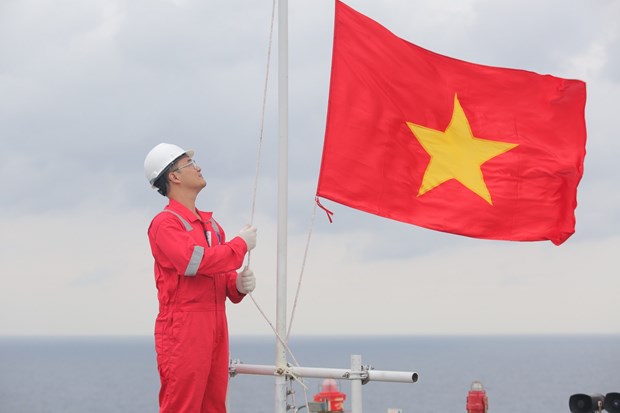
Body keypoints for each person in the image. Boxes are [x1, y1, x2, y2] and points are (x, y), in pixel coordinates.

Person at [144, 142, 257, 413]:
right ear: (174, 176)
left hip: (215, 323)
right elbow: (192, 262)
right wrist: (239, 246)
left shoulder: (211, 226)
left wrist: (236, 285)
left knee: (214, 404)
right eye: (190, 164)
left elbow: (219, 276)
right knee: (183, 405)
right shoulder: (165, 223)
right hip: (183, 328)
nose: (198, 167)